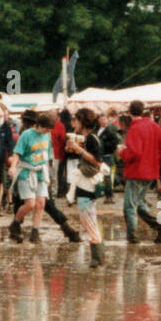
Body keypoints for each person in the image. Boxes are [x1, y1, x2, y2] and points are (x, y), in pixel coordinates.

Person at [118, 100, 161, 243]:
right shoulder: (154, 126)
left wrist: (122, 153)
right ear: (143, 111)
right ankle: (159, 226)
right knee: (139, 203)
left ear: (130, 113)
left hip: (136, 171)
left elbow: (135, 153)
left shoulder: (134, 129)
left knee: (130, 206)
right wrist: (158, 161)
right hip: (150, 172)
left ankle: (132, 236)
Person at [67, 109, 106, 266]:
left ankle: (97, 256)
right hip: (86, 184)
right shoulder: (90, 137)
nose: (74, 123)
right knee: (89, 219)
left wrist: (79, 150)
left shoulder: (92, 139)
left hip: (87, 184)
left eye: (76, 120)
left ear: (82, 121)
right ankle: (97, 255)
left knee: (88, 219)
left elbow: (97, 161)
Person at [7, 111, 50, 243]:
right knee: (30, 204)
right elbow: (17, 153)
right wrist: (13, 167)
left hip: (40, 171)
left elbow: (46, 154)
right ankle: (15, 223)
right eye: (45, 129)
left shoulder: (47, 135)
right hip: (27, 171)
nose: (47, 132)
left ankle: (35, 232)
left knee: (41, 203)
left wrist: (47, 173)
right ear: (39, 125)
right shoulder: (26, 134)